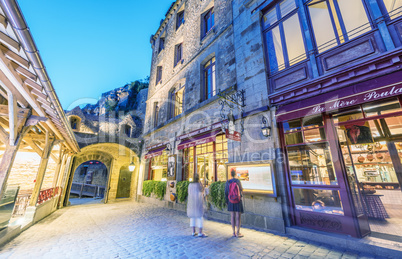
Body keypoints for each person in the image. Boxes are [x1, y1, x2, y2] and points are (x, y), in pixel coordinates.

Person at [225, 169, 244, 238]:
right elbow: (241, 189)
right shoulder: (238, 181)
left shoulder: (228, 181)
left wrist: (227, 201)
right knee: (238, 216)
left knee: (232, 216)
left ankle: (233, 232)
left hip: (231, 200)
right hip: (237, 200)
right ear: (235, 174)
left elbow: (226, 192)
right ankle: (238, 232)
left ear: (230, 174)